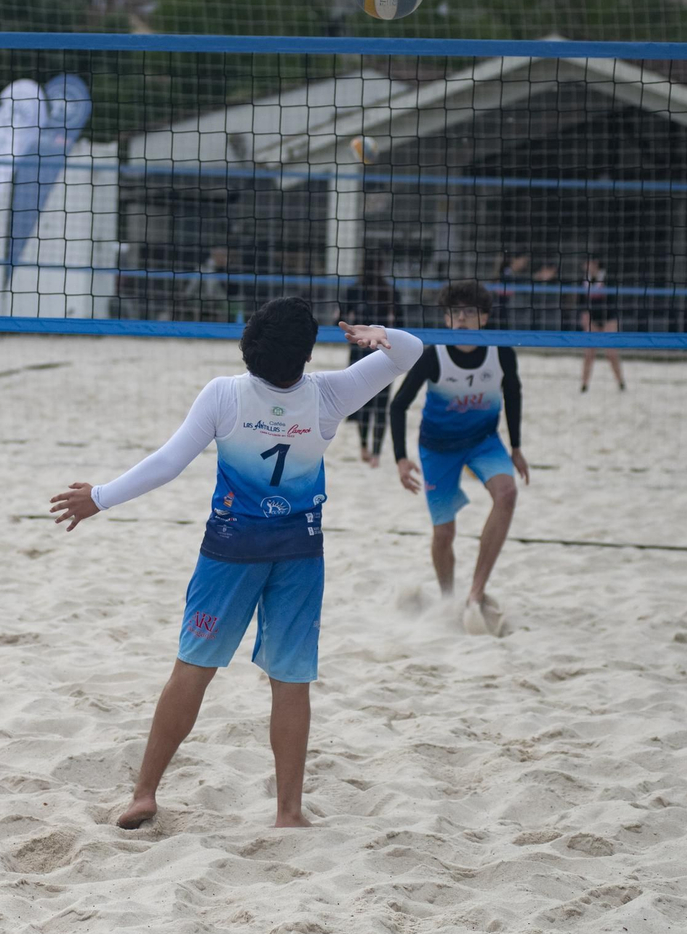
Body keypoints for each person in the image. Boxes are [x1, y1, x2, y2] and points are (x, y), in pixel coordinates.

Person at [49, 298, 424, 829]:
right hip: (298, 552)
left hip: (230, 551)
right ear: (307, 355)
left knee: (193, 667)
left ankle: (144, 794)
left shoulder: (224, 393)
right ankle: (288, 812)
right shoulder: (330, 394)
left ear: (249, 347)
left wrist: (100, 497)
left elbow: (167, 464)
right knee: (290, 680)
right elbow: (411, 350)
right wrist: (375, 333)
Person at [389, 281, 528, 638]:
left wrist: (515, 447)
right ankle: (448, 598)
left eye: (469, 312)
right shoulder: (434, 355)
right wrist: (401, 459)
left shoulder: (501, 352)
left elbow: (513, 393)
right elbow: (398, 404)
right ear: (446, 318)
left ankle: (475, 593)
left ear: (484, 317)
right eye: (454, 313)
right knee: (444, 533)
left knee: (507, 493)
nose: (461, 319)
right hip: (438, 448)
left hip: (484, 441)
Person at [341, 257, 396, 467]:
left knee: (364, 403)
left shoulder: (355, 289)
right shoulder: (389, 290)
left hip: (360, 350)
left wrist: (355, 328)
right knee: (381, 405)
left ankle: (364, 446)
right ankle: (376, 454)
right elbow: (400, 323)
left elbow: (341, 319)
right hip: (383, 350)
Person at [580, 257, 626, 392]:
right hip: (592, 319)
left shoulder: (608, 278)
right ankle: (584, 385)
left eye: (587, 263)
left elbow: (612, 300)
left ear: (595, 264)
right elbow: (581, 300)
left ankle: (621, 382)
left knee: (611, 353)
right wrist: (584, 314)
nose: (585, 265)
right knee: (589, 353)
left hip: (608, 318)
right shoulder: (584, 280)